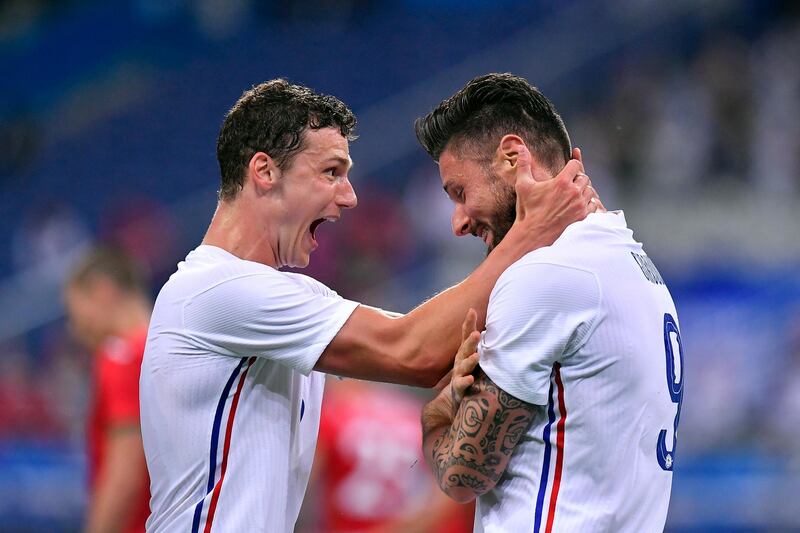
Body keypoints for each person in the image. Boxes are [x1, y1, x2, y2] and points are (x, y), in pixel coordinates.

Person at [139, 79, 600, 532]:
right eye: (331, 172)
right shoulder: (217, 291)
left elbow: (429, 343)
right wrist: (530, 233)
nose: (349, 196)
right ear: (264, 171)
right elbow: (411, 351)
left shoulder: (280, 295)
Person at [417, 73, 683, 533]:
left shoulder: (547, 274)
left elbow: (462, 474)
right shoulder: (639, 270)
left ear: (512, 158)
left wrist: (436, 416)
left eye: (460, 192)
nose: (458, 221)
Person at [64, 247, 152, 533]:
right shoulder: (171, 350)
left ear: (102, 292)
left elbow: (124, 477)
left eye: (76, 313)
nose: (75, 330)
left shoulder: (120, 356)